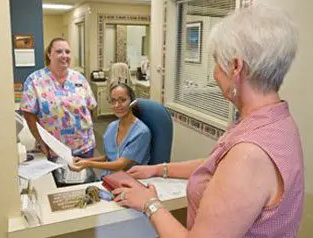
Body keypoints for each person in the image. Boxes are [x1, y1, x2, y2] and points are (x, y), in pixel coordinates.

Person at [112, 5, 304, 237]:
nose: (214, 73)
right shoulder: (277, 120)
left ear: (236, 67)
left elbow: (239, 166)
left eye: (216, 62)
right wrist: (159, 169)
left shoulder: (249, 154)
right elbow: (219, 165)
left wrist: (149, 203)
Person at [20, 37, 97, 164]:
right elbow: (28, 113)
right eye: (59, 51)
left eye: (67, 52)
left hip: (84, 148)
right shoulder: (35, 80)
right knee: (57, 182)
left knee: (84, 182)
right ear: (49, 54)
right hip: (54, 149)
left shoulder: (79, 79)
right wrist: (39, 140)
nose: (64, 55)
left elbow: (90, 108)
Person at [71, 83, 151, 178]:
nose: (117, 105)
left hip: (129, 182)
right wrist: (84, 160)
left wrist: (88, 164)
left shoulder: (141, 132)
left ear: (132, 101)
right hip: (108, 178)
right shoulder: (112, 127)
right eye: (113, 101)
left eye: (122, 100)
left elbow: (120, 165)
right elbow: (109, 158)